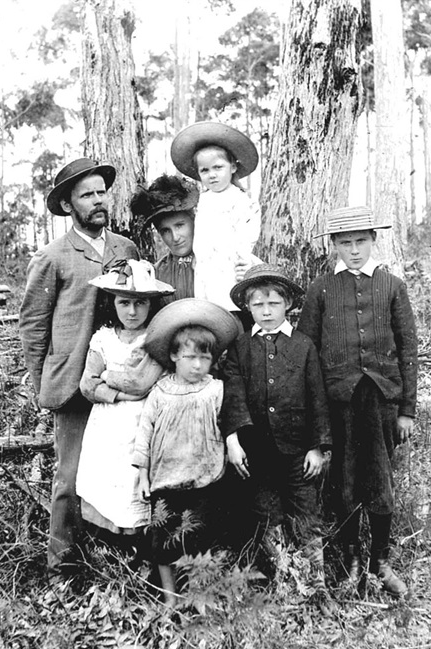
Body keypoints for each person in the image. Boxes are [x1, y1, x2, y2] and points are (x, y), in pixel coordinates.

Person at [19, 158, 139, 581]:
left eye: (101, 192)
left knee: (121, 471)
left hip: (121, 381)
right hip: (72, 385)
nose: (97, 201)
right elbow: (33, 326)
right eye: (86, 195)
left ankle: (119, 559)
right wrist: (43, 381)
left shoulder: (126, 250)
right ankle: (63, 566)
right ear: (69, 206)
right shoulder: (52, 257)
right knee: (68, 479)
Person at [297, 206, 418, 597]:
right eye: (345, 243)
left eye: (360, 242)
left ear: (373, 241)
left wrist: (407, 411)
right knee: (345, 483)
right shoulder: (321, 289)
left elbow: (408, 350)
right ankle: (351, 560)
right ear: (334, 245)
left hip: (382, 399)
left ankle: (380, 562)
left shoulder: (392, 286)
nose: (353, 250)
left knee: (380, 480)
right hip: (340, 401)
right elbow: (307, 352)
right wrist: (315, 418)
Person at [221, 264, 334, 614]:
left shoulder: (303, 347)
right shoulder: (241, 347)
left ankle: (315, 587)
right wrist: (233, 439)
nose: (266, 311)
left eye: (273, 303)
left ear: (287, 304)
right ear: (248, 308)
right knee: (267, 517)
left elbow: (317, 396)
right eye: (257, 305)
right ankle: (284, 582)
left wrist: (318, 446)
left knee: (306, 516)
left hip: (298, 452)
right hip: (258, 454)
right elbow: (234, 395)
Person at [132, 298, 239, 607]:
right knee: (162, 542)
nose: (196, 365)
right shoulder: (160, 392)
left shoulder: (216, 389)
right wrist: (142, 475)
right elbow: (144, 434)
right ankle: (170, 599)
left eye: (204, 358)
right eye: (189, 357)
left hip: (204, 479)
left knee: (198, 539)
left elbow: (230, 421)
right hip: (165, 479)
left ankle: (197, 597)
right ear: (174, 356)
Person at [76, 259, 174, 544]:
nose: (132, 311)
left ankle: (140, 550)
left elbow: (143, 383)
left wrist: (109, 375)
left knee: (135, 482)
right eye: (124, 303)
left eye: (140, 304)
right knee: (108, 479)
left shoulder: (155, 339)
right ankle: (110, 550)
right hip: (107, 423)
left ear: (151, 304)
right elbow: (87, 384)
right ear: (113, 303)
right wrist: (119, 394)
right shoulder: (104, 339)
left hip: (142, 423)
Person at [170, 121, 261, 312]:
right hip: (205, 268)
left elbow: (247, 236)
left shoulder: (241, 201)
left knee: (230, 308)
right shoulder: (201, 201)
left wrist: (244, 262)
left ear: (233, 167)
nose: (212, 175)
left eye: (218, 167)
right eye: (205, 170)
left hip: (229, 266)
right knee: (207, 310)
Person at [130, 174, 199, 302]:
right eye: (166, 230)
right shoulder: (156, 275)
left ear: (194, 221)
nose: (175, 237)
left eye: (179, 225)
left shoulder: (216, 262)